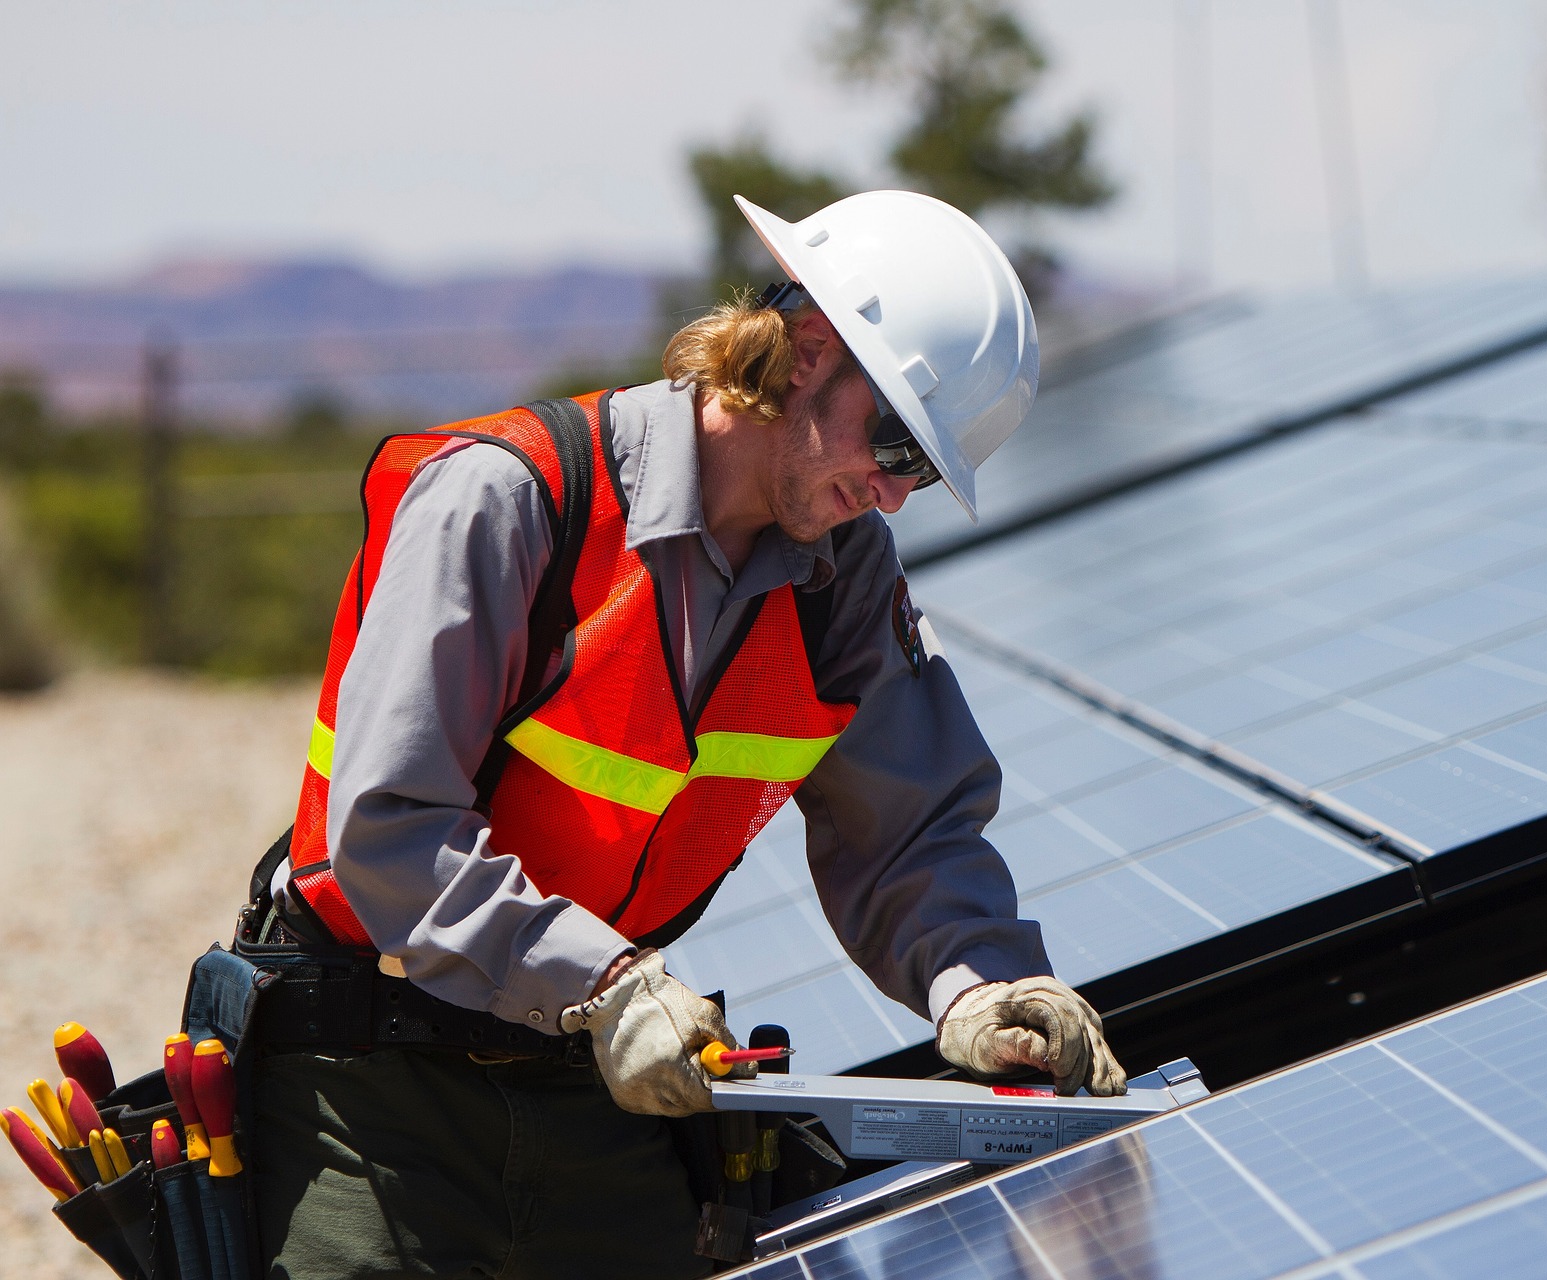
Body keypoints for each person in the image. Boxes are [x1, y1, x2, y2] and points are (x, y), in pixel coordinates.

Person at [242, 190, 1125, 1279]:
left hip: (590, 1077)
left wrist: (983, 983)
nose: (891, 496)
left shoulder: (840, 577)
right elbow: (387, 828)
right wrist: (603, 981)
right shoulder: (510, 499)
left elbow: (908, 831)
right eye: (893, 440)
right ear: (805, 351)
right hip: (375, 1079)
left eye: (922, 473)